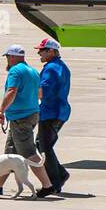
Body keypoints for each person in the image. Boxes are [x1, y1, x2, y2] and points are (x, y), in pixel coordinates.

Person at [0, 45, 49, 197]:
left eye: (8, 57)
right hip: (31, 114)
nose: (7, 60)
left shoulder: (15, 71)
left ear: (13, 57)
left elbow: (11, 91)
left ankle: (47, 185)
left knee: (28, 152)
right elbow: (40, 94)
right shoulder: (33, 71)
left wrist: (1, 110)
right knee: (10, 154)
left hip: (20, 118)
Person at [35, 37, 71, 195]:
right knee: (44, 145)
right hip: (61, 111)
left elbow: (43, 91)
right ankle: (60, 174)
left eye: (42, 50)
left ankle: (54, 182)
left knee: (44, 147)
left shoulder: (50, 69)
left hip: (50, 112)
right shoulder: (62, 67)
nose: (39, 53)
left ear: (51, 51)